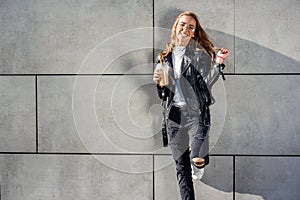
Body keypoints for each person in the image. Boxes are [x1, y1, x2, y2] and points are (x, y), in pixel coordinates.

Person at [153, 11, 230, 200]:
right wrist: (160, 84)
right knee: (181, 168)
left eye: (190, 27)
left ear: (194, 33)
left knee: (197, 158)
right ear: (175, 27)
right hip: (173, 116)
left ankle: (198, 165)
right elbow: (163, 95)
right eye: (182, 24)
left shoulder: (199, 56)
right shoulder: (164, 57)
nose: (185, 29)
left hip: (196, 113)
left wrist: (218, 63)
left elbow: (206, 84)